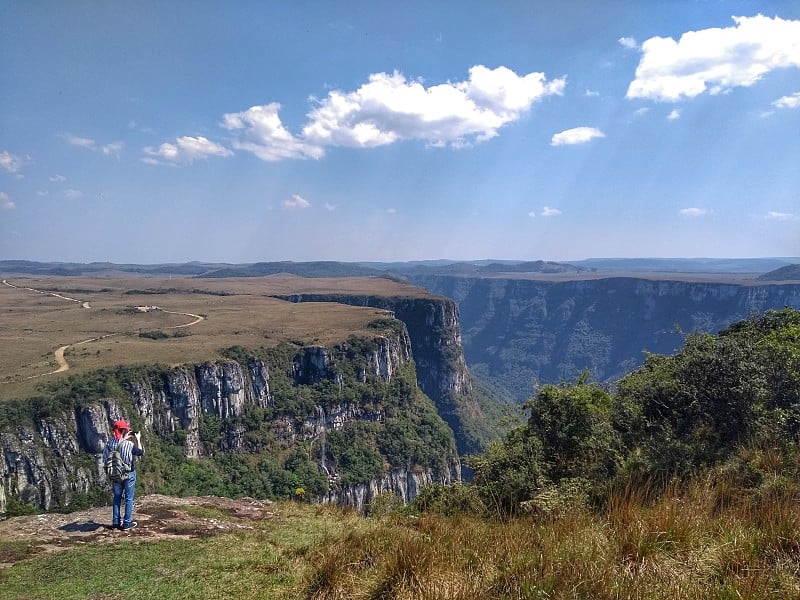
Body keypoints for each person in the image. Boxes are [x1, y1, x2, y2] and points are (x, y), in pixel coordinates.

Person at [102, 419, 144, 530]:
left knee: (117, 498)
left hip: (115, 475)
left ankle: (116, 523)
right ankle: (126, 523)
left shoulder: (109, 444)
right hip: (128, 474)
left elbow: (105, 459)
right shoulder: (129, 444)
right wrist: (138, 439)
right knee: (129, 499)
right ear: (125, 431)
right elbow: (140, 452)